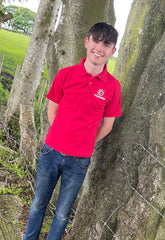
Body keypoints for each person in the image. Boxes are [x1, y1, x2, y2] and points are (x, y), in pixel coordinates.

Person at [23, 22, 121, 240]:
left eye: (106, 44)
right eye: (96, 40)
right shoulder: (66, 74)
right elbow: (52, 109)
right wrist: (62, 134)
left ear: (113, 51)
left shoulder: (113, 87)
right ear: (87, 42)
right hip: (51, 153)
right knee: (38, 204)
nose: (99, 48)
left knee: (62, 213)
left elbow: (108, 125)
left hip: (79, 160)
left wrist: (85, 141)